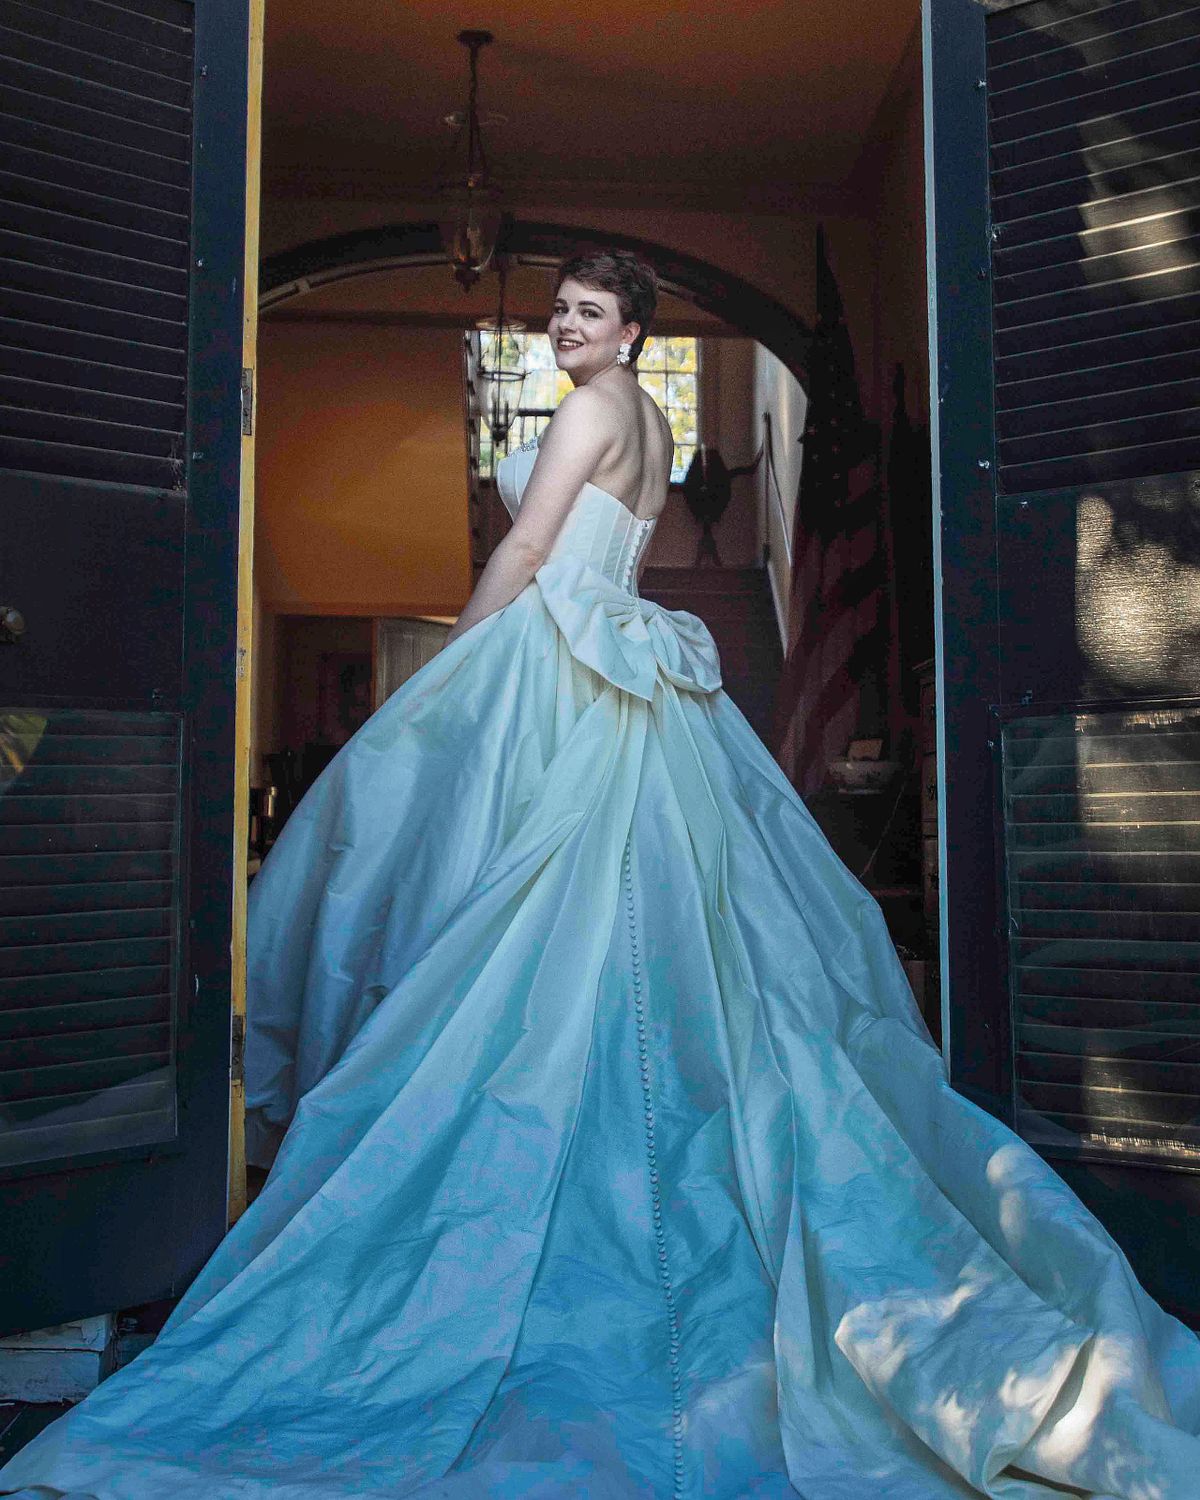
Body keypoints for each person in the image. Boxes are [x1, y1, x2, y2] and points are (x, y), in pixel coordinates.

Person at [2, 248, 1198, 1500]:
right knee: (625, 930)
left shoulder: (587, 407)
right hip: (626, 665)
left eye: (588, 314)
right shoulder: (657, 415)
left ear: (631, 331)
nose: (562, 328)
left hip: (558, 660)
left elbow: (528, 545)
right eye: (558, 311)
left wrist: (453, 672)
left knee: (494, 903)